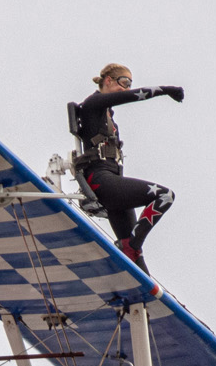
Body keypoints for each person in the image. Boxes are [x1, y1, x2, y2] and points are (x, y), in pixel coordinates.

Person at [70, 63, 184, 267]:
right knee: (165, 196)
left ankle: (138, 273)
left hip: (113, 182)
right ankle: (131, 244)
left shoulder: (107, 114)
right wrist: (165, 90)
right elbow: (133, 96)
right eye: (124, 82)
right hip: (101, 180)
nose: (127, 88)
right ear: (108, 81)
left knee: (134, 254)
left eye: (130, 84)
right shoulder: (94, 103)